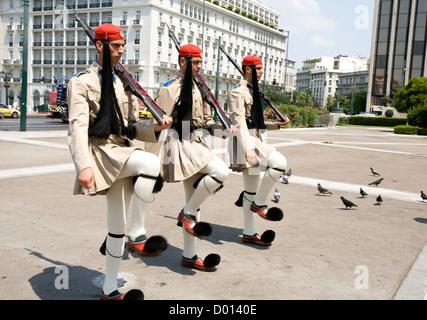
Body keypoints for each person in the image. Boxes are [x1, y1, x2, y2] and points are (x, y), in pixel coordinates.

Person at [67, 23, 173, 300]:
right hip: (102, 154)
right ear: (100, 46)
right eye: (116, 46)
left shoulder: (123, 82)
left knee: (116, 228)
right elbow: (77, 127)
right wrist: (83, 165)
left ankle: (109, 290)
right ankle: (137, 236)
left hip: (122, 150)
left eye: (123, 46)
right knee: (149, 165)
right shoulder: (81, 82)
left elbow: (133, 127)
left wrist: (157, 128)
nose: (121, 51)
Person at [146, 44, 234, 271]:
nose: (199, 67)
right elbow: (158, 127)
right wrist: (150, 165)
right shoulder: (170, 89)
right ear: (182, 62)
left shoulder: (200, 88)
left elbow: (204, 123)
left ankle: (189, 255)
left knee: (194, 204)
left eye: (201, 62)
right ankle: (185, 215)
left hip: (197, 144)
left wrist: (223, 131)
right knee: (220, 171)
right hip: (179, 145)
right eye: (195, 63)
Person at [228, 55, 290, 247]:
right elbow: (239, 123)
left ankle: (249, 232)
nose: (262, 72)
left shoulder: (254, 91)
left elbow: (256, 122)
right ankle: (260, 203)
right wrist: (247, 148)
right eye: (259, 68)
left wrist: (277, 125)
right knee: (279, 162)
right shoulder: (237, 93)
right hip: (246, 142)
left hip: (255, 139)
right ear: (248, 69)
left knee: (250, 190)